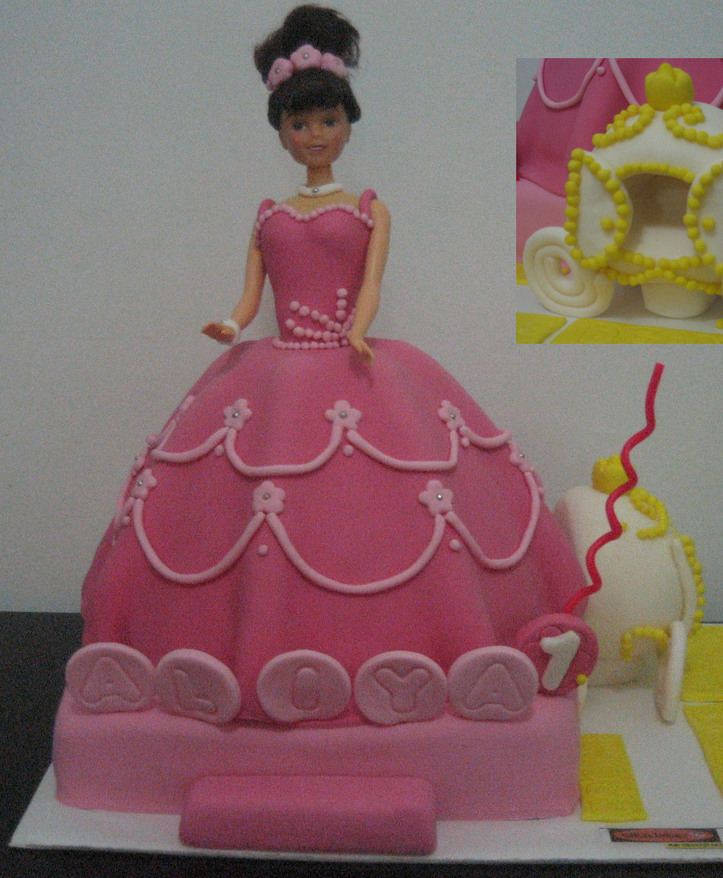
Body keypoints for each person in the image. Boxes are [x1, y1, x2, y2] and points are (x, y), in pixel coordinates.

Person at [80, 5, 583, 723]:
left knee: (387, 511)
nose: (314, 134)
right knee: (237, 512)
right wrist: (231, 324)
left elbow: (371, 282)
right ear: (282, 133)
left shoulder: (371, 209)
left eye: (327, 120)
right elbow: (252, 293)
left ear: (347, 124)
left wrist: (360, 329)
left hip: (354, 359)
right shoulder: (268, 215)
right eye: (299, 123)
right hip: (275, 371)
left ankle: (418, 663)